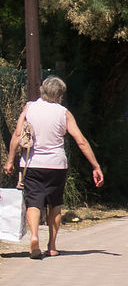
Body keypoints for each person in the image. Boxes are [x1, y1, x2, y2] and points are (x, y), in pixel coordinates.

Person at [4, 76, 104, 259]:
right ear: (60, 95)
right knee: (55, 204)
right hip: (56, 165)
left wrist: (10, 160)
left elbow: (18, 135)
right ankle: (52, 245)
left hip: (32, 164)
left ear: (42, 90)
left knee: (33, 202)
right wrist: (95, 165)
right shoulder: (63, 113)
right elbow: (81, 141)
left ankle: (34, 236)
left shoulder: (29, 108)